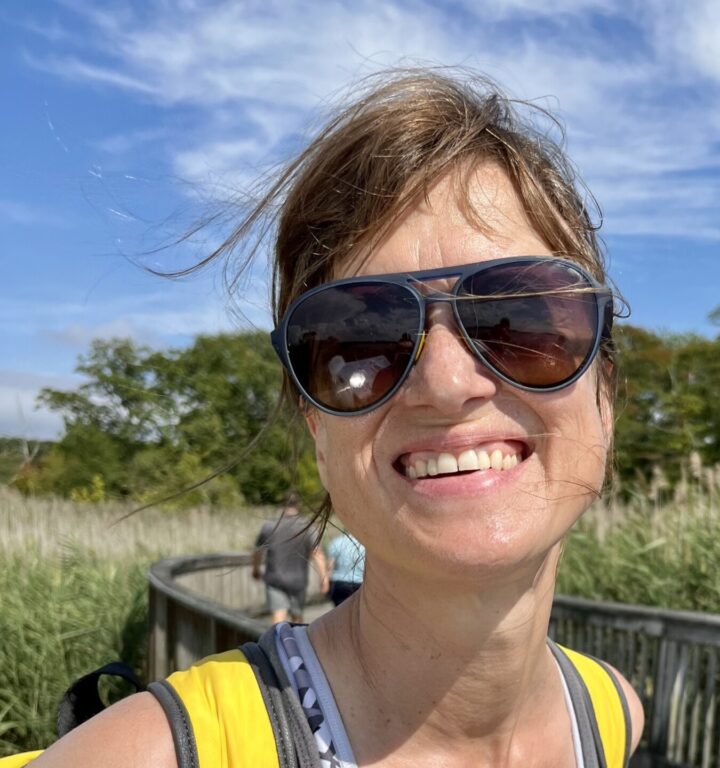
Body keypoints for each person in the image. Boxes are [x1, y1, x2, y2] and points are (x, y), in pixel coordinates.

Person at [25, 68, 645, 767]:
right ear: (317, 430)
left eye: (522, 320)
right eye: (361, 340)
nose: (445, 384)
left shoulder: (608, 711)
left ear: (605, 396)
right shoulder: (148, 756)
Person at [252, 490, 329, 623]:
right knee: (297, 617)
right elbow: (317, 553)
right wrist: (324, 578)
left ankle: (276, 642)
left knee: (278, 615)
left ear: (283, 505)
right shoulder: (307, 527)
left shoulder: (269, 526)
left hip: (275, 578)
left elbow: (258, 552)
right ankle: (294, 641)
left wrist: (256, 570)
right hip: (298, 580)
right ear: (298, 505)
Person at [324, 530, 365, 605]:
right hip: (359, 583)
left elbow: (330, 566)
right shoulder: (364, 544)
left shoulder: (337, 542)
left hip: (339, 583)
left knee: (340, 612)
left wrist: (325, 582)